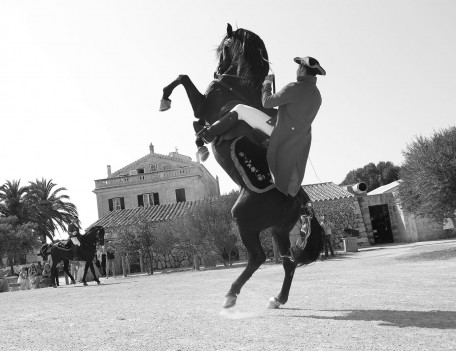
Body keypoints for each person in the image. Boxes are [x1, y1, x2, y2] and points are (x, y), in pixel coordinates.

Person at [195, 56, 325, 200]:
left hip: (277, 132)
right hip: (295, 141)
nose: (297, 69)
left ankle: (207, 135)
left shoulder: (294, 87)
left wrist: (267, 84)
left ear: (302, 69)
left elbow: (267, 102)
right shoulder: (317, 96)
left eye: (298, 66)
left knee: (240, 109)